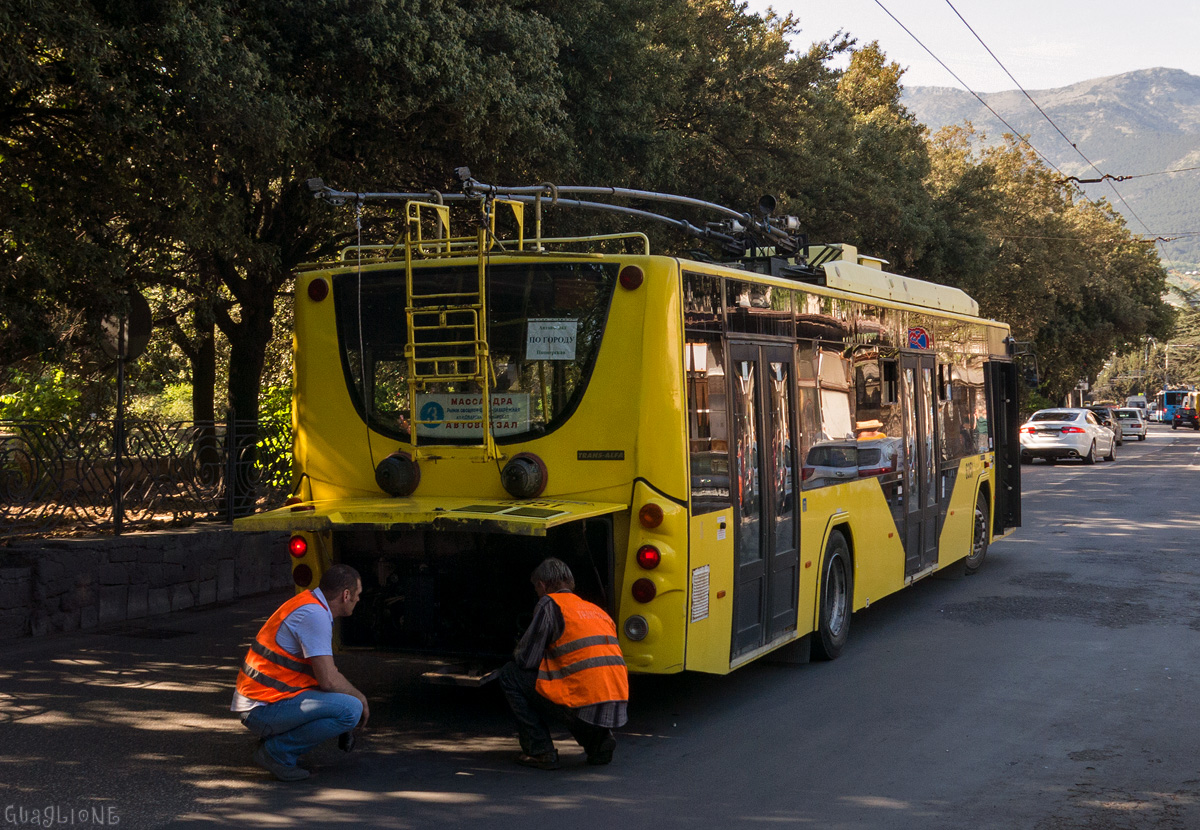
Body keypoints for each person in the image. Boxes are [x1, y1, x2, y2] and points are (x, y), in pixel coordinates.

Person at [231, 564, 369, 781]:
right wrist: (360, 698)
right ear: (346, 595)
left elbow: (326, 673)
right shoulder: (315, 616)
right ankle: (276, 753)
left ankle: (276, 743)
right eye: (358, 595)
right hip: (261, 710)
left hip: (261, 702)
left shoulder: (309, 604)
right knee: (351, 709)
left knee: (345, 701)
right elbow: (329, 682)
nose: (358, 600)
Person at [498, 557, 629, 770]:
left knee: (510, 674)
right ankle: (599, 740)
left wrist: (518, 647)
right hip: (615, 703)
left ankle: (540, 751)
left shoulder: (549, 604)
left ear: (541, 585)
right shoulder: (595, 610)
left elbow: (526, 660)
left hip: (584, 700)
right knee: (571, 682)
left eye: (536, 588)